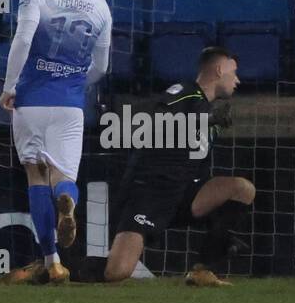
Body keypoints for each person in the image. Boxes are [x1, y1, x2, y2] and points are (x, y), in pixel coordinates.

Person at [0, 0, 112, 284]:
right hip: (70, 103)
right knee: (63, 176)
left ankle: (53, 261)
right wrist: (76, 80)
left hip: (31, 99)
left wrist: (9, 87)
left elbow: (23, 38)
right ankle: (67, 200)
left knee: (35, 173)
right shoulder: (99, 2)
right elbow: (102, 66)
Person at [95, 48, 253, 287]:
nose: (238, 80)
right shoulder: (184, 93)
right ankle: (59, 267)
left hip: (185, 193)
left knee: (242, 189)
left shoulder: (210, 110)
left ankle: (203, 270)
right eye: (234, 72)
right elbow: (156, 118)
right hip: (151, 192)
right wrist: (207, 119)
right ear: (219, 70)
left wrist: (222, 229)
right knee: (117, 272)